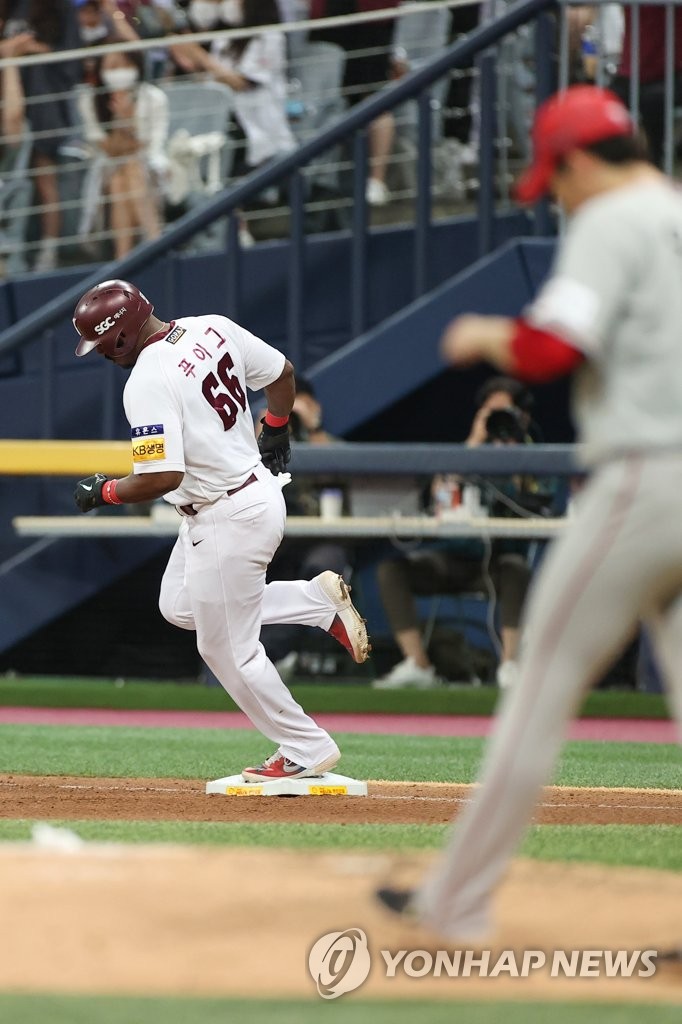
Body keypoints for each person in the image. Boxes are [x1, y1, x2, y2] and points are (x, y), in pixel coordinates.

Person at [376, 84, 682, 939]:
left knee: (540, 688)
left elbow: (552, 347)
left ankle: (454, 905)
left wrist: (480, 335)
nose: (557, 193)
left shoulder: (611, 220)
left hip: (646, 481)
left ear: (581, 160)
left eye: (557, 177)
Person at [71, 279, 370, 781]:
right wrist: (276, 423)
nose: (101, 353)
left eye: (101, 343)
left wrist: (105, 492)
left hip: (226, 515)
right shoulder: (211, 326)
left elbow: (161, 476)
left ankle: (305, 748)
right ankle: (314, 603)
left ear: (119, 336)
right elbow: (283, 374)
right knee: (180, 605)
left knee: (226, 648)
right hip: (246, 497)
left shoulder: (146, 379)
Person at [372, 377, 535, 691]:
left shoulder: (533, 455)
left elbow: (536, 499)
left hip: (498, 563)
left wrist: (513, 447)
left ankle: (510, 665)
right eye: (491, 413)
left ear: (523, 417)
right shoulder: (467, 453)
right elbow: (441, 493)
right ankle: (418, 664)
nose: (497, 420)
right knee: (391, 569)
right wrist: (476, 439)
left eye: (506, 412)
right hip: (453, 559)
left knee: (517, 569)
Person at [0, 0, 82, 272]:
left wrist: (30, 50)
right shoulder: (9, 7)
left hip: (43, 98)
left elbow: (70, 60)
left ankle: (48, 253)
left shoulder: (61, 9)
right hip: (11, 91)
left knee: (44, 178)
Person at [77, 45, 168, 258]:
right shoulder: (90, 100)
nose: (120, 71)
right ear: (101, 70)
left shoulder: (153, 97)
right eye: (113, 66)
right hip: (109, 169)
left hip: (151, 166)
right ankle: (156, 244)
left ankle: (124, 259)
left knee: (128, 172)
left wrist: (127, 120)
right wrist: (123, 120)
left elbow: (147, 146)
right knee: (122, 174)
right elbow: (110, 150)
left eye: (126, 64)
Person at [310, 0, 400, 206]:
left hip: (369, 22)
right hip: (327, 21)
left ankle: (376, 181)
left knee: (374, 99)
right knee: (328, 102)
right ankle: (323, 182)